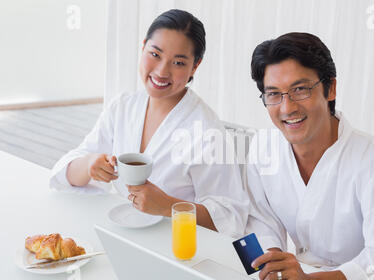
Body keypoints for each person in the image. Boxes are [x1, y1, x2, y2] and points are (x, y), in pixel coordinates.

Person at [245, 32, 374, 280]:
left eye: (300, 89)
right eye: (274, 94)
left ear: (331, 88)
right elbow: (257, 218)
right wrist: (273, 257)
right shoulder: (261, 148)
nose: (287, 107)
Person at [50, 9, 248, 237]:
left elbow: (231, 217)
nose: (162, 71)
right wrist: (89, 165)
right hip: (120, 234)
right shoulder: (123, 106)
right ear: (143, 46)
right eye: (155, 54)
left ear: (195, 65)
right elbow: (65, 173)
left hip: (177, 248)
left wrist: (168, 206)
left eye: (178, 62)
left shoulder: (206, 130)